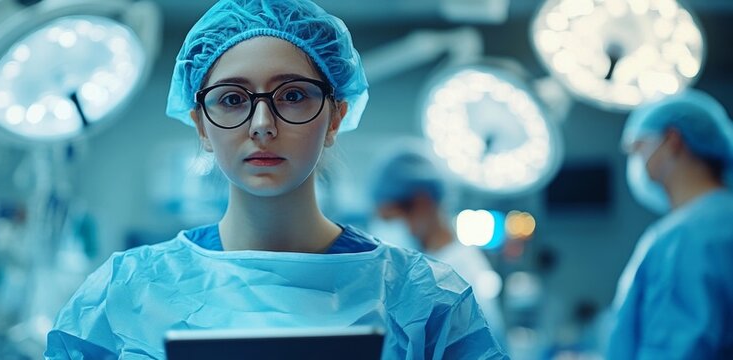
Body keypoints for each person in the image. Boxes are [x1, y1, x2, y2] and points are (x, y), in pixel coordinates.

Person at [44, 0, 506, 359]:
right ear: (202, 126)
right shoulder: (124, 293)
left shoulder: (425, 302)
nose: (262, 123)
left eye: (292, 95)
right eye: (231, 99)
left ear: (335, 118)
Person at [609, 89, 733, 359]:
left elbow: (674, 349)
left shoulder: (684, 237)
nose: (636, 161)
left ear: (673, 141)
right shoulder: (722, 220)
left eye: (638, 147)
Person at [368, 141, 507, 349]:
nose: (384, 233)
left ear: (422, 203)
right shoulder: (431, 267)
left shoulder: (454, 275)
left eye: (389, 219)